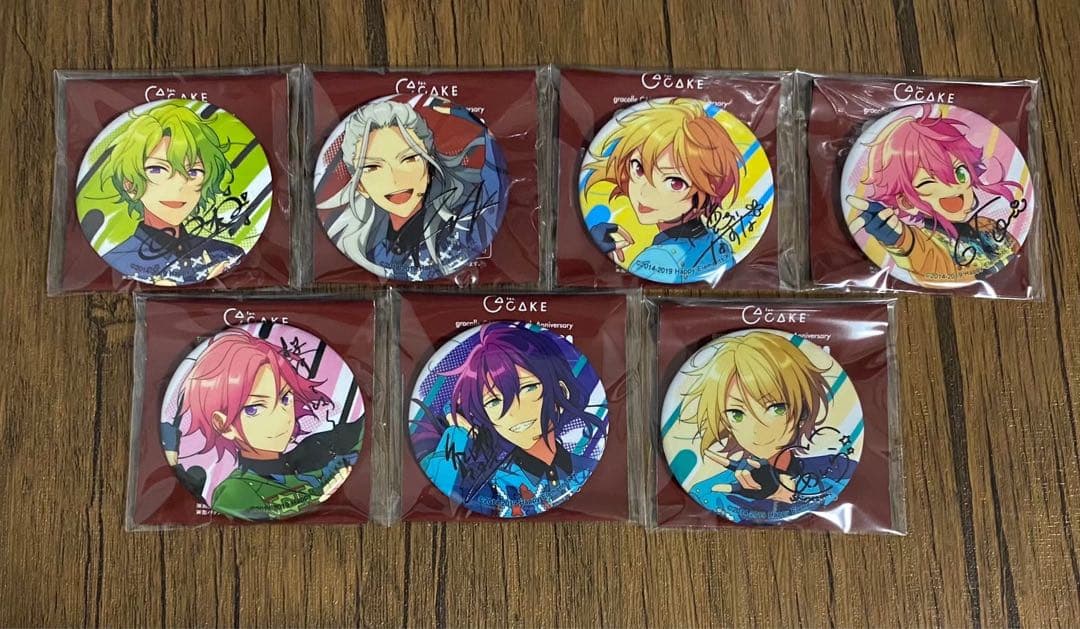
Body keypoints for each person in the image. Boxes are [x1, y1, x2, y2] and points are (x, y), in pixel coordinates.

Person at [414, 323, 605, 517]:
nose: (513, 412)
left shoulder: (587, 469)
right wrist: (458, 434)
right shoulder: (492, 486)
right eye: (494, 401)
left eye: (527, 388)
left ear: (560, 391)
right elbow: (440, 494)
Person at [174, 329, 359, 520]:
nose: (281, 417)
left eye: (285, 399)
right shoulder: (236, 491)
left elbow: (355, 434)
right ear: (223, 425)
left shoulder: (316, 448)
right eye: (253, 409)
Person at [321, 98, 505, 280]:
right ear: (360, 186)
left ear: (429, 164)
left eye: (409, 159)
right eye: (373, 167)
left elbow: (495, 181)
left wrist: (463, 115)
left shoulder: (466, 222)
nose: (395, 179)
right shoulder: (373, 251)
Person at [847, 107, 1026, 285]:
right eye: (929, 182)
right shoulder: (929, 243)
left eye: (960, 172)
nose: (954, 186)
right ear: (907, 202)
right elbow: (922, 254)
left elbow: (1013, 252)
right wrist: (896, 236)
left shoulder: (987, 225)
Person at [584, 98, 744, 282]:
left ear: (709, 191)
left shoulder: (658, 258)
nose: (644, 193)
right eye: (639, 168)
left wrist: (606, 262)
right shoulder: (719, 244)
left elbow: (630, 287)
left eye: (675, 183)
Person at [680, 331, 849, 504]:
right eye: (737, 414)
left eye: (777, 408)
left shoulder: (837, 471)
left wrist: (785, 495)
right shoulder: (708, 492)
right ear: (726, 423)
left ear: (803, 410)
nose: (757, 431)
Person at [95, 102, 245, 285]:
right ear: (130, 185)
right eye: (157, 169)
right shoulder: (118, 260)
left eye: (193, 172)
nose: (178, 186)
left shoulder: (226, 254)